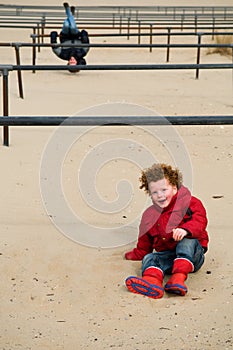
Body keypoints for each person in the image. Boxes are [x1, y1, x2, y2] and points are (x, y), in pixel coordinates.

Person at [125, 163, 209, 299]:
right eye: (155, 192)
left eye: (164, 190)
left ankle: (178, 278)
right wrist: (138, 253)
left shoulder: (190, 203)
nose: (160, 195)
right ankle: (152, 282)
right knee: (150, 258)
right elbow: (145, 241)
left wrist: (185, 230)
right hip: (170, 256)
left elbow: (200, 221)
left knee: (186, 242)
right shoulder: (150, 215)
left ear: (174, 188)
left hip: (193, 255)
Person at [50, 2, 89, 73]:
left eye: (70, 62)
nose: (72, 60)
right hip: (76, 36)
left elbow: (54, 47)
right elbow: (86, 44)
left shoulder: (63, 55)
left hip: (65, 37)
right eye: (73, 62)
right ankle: (69, 11)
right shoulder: (81, 53)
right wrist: (84, 34)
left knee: (66, 24)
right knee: (73, 27)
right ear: (77, 62)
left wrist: (53, 36)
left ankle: (70, 15)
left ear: (68, 62)